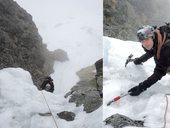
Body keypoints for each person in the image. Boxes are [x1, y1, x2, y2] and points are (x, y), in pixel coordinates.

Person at [128, 25, 170, 96]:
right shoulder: (157, 41)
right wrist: (138, 60)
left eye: (147, 39)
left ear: (152, 37)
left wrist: (142, 87)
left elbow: (159, 72)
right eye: (142, 41)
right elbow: (151, 52)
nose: (145, 43)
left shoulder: (166, 48)